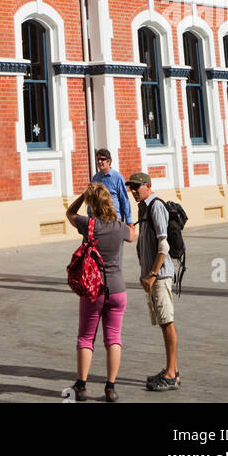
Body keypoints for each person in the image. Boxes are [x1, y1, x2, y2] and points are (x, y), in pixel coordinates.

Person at [66, 183, 135, 402]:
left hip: (93, 290)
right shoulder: (119, 227)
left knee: (86, 338)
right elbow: (132, 235)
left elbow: (69, 213)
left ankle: (82, 385)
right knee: (113, 338)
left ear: (92, 203)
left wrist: (81, 196)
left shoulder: (89, 225)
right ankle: (110, 387)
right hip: (117, 289)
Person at [126, 171, 180, 392]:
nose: (133, 191)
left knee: (167, 322)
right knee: (163, 322)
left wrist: (153, 274)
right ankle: (172, 370)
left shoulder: (156, 206)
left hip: (160, 276)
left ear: (148, 186)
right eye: (132, 188)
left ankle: (171, 374)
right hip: (151, 275)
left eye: (137, 187)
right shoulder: (143, 207)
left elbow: (163, 245)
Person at [91, 149, 132, 223]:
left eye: (102, 159)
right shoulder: (95, 178)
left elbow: (124, 199)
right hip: (99, 219)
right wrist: (90, 217)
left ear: (109, 161)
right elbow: (92, 199)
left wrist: (129, 221)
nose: (100, 162)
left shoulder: (117, 177)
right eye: (98, 159)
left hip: (115, 219)